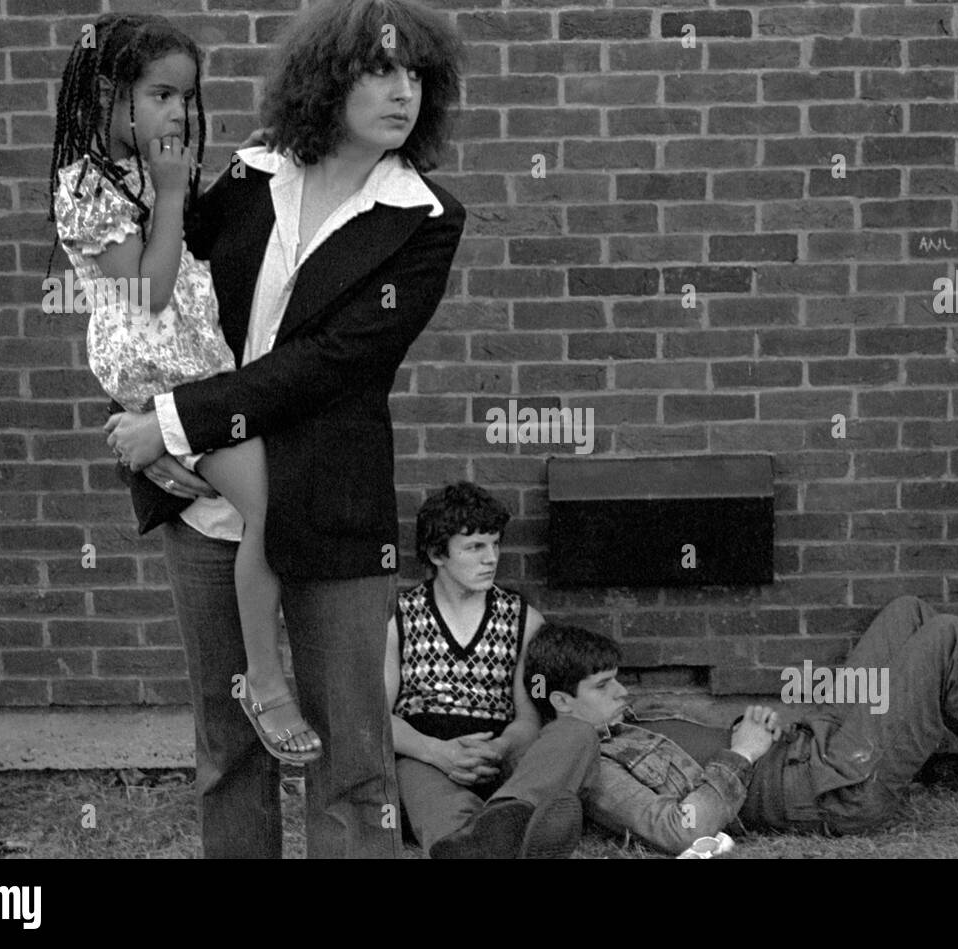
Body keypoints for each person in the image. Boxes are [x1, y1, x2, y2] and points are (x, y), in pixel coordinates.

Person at [100, 0, 467, 857]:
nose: (401, 90)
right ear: (326, 79)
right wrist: (142, 412)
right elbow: (162, 294)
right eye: (379, 71)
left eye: (415, 74)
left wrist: (175, 422)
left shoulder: (425, 219)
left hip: (329, 505)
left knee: (352, 760)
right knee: (229, 751)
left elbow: (330, 364)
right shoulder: (253, 171)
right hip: (205, 501)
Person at [50, 13, 322, 766]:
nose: (177, 113)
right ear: (109, 93)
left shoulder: (138, 172)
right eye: (162, 94)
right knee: (267, 502)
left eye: (186, 99)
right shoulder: (87, 187)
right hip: (168, 382)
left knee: (260, 503)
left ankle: (262, 671)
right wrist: (171, 194)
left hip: (198, 379)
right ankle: (264, 680)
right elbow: (150, 291)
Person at [511, 597, 958, 857]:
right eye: (603, 686)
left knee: (908, 610)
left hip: (816, 741)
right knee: (948, 638)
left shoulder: (624, 721)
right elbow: (679, 832)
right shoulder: (593, 768)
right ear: (560, 703)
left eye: (618, 679)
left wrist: (772, 721)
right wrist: (743, 755)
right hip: (834, 788)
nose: (623, 691)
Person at [384, 482, 585, 858]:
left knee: (575, 733)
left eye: (495, 544)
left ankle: (507, 818)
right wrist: (437, 752)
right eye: (475, 547)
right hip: (427, 754)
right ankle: (489, 839)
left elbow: (530, 717)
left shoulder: (524, 620)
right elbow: (378, 716)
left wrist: (499, 747)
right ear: (437, 553)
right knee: (416, 780)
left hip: (502, 760)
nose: (491, 557)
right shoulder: (398, 617)